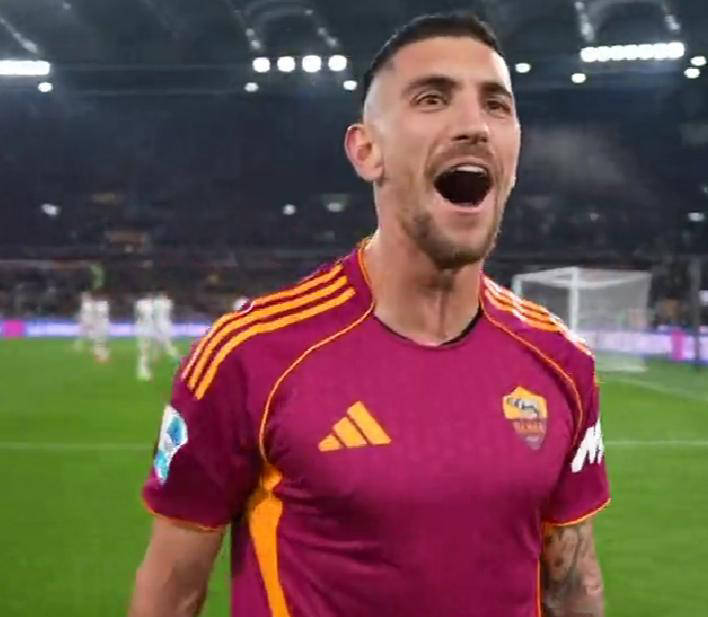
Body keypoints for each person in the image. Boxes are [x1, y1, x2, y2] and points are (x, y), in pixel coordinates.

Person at [129, 12, 609, 617]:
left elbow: (573, 585)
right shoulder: (251, 354)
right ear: (366, 151)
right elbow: (173, 591)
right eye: (432, 98)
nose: (474, 125)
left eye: (496, 105)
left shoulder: (561, 361)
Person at [135, 294, 155, 381]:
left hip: (145, 330)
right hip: (143, 330)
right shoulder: (144, 305)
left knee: (145, 351)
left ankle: (143, 371)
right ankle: (144, 372)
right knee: (144, 351)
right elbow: (140, 316)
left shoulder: (143, 304)